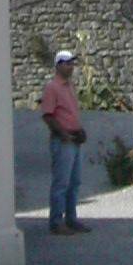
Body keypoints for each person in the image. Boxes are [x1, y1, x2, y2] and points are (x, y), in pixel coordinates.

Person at [39, 49, 90, 235]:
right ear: (58, 65)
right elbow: (48, 115)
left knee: (74, 182)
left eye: (71, 63)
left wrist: (80, 130)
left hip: (74, 139)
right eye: (67, 63)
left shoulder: (69, 87)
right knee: (61, 183)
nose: (71, 66)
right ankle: (56, 221)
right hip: (63, 140)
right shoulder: (52, 88)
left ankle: (71, 218)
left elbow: (71, 113)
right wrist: (63, 134)